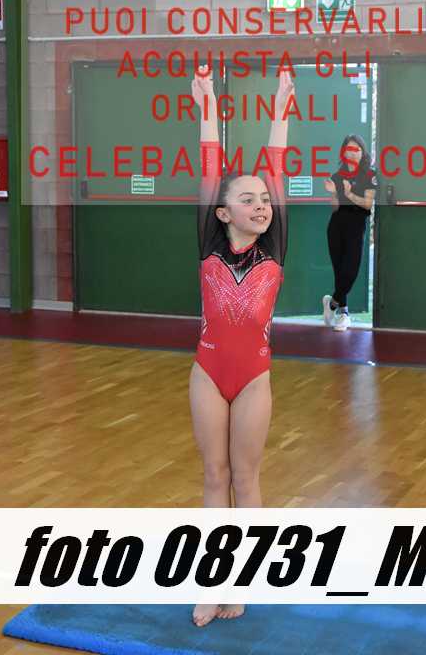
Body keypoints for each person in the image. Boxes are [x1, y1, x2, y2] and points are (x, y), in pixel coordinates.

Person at [189, 66, 292, 626]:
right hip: (207, 372)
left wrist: (281, 104)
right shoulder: (209, 240)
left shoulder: (274, 246)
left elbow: (276, 164)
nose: (261, 204)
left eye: (264, 199)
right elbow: (210, 164)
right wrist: (206, 101)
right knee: (214, 476)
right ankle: (212, 581)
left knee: (246, 477)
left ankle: (241, 580)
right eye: (247, 199)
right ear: (223, 212)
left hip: (254, 378)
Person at [322, 134, 377, 332]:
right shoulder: (338, 176)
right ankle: (343, 313)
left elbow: (367, 204)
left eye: (356, 149)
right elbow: (335, 207)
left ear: (363, 152)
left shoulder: (369, 175)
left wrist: (348, 194)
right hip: (336, 227)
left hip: (356, 227)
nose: (352, 153)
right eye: (348, 149)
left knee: (350, 272)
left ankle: (331, 304)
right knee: (339, 271)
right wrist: (333, 193)